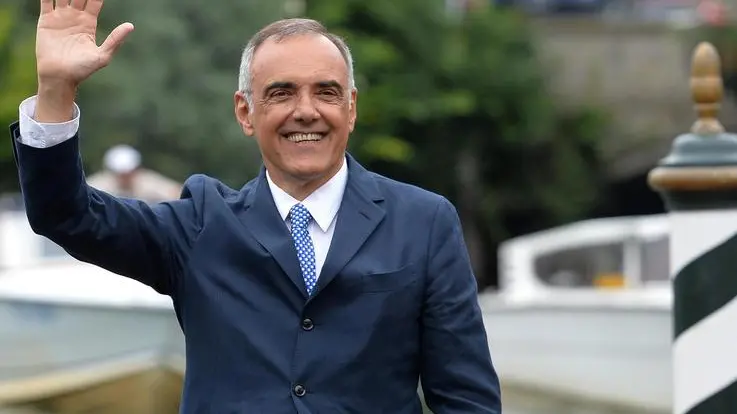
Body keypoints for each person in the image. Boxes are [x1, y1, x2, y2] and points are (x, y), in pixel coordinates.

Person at [9, 0, 502, 412]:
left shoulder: (424, 221)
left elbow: (466, 399)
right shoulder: (201, 224)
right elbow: (65, 214)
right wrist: (56, 89)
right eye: (281, 93)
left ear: (350, 108)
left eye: (325, 93)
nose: (305, 110)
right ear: (246, 112)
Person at [86, 144, 183, 203]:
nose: (125, 177)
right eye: (120, 173)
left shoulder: (148, 182)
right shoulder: (97, 186)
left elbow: (177, 193)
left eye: (128, 173)